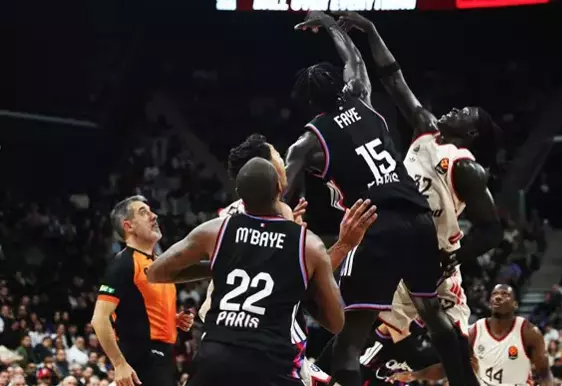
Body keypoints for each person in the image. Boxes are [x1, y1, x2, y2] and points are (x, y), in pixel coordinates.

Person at [288, 10, 478, 386]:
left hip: (376, 224)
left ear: (308, 103)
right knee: (434, 315)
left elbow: (284, 194)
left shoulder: (307, 143)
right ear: (339, 87)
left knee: (348, 341)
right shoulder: (361, 98)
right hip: (418, 218)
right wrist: (330, 25)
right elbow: (356, 61)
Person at [146, 158, 378, 384]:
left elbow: (156, 272)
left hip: (215, 358)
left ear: (239, 193)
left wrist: (219, 267)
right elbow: (336, 322)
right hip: (271, 361)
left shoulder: (216, 230)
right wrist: (341, 248)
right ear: (279, 189)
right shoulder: (307, 244)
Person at [198, 133, 331, 385]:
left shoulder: (238, 213)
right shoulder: (274, 216)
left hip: (224, 328)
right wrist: (345, 244)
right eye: (278, 156)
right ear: (266, 168)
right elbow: (304, 284)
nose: (284, 161)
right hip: (261, 335)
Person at [91, 196, 195, 386]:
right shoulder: (123, 264)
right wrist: (119, 364)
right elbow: (99, 318)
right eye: (143, 212)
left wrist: (173, 319)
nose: (154, 216)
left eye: (151, 211)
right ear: (128, 226)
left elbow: (141, 309)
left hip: (164, 358)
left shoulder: (158, 263)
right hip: (142, 360)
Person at [389, 284, 554, 386]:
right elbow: (450, 367)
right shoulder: (475, 331)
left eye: (505, 294)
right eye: (495, 294)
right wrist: (415, 375)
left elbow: (545, 373)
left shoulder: (528, 333)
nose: (498, 297)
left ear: (515, 305)